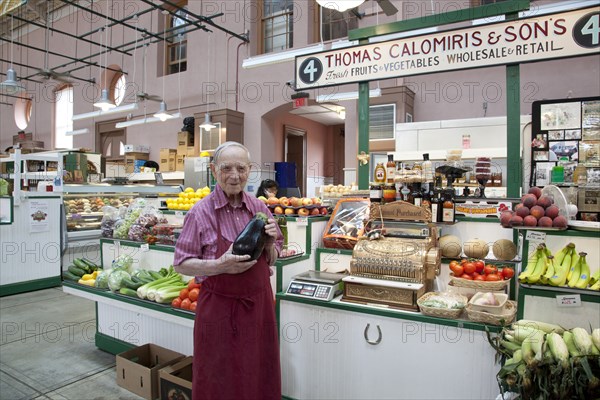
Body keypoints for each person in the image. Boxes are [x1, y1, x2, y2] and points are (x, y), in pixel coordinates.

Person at [173, 142, 283, 400]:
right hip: (219, 312)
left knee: (259, 370)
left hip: (258, 308)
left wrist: (269, 245)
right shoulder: (199, 213)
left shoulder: (260, 209)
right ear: (214, 170)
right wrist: (219, 265)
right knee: (217, 375)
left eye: (241, 168)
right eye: (227, 168)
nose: (235, 175)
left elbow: (274, 257)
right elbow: (181, 262)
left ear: (249, 171)